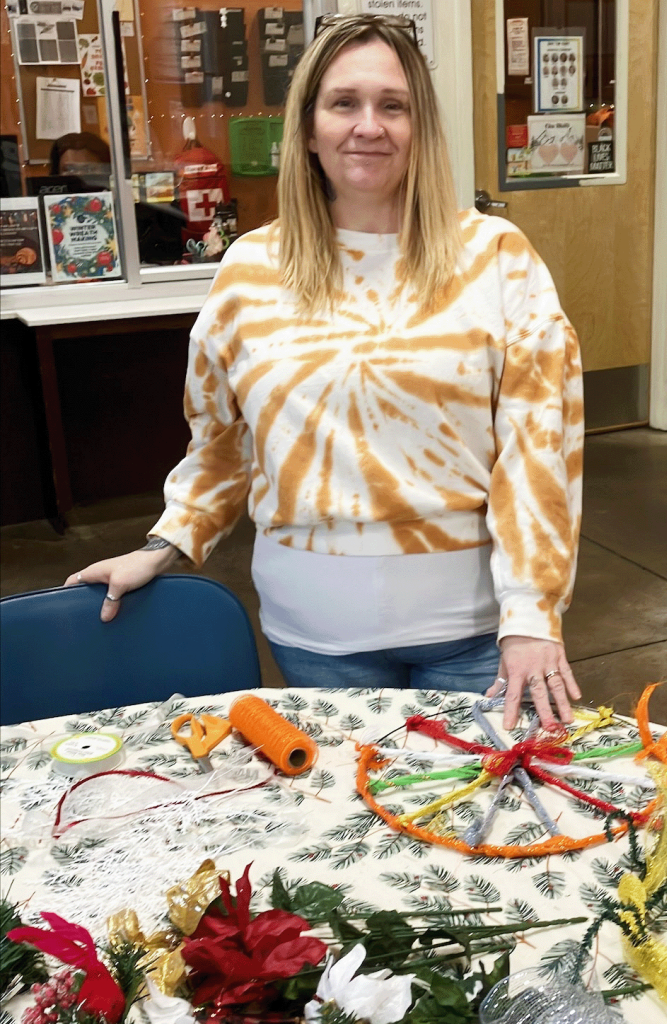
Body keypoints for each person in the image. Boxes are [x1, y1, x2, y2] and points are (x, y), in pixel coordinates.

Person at [67, 14, 584, 730]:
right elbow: (222, 440)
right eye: (344, 103)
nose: (368, 125)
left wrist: (532, 613)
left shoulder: (497, 257)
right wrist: (167, 543)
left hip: (475, 635)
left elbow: (539, 446)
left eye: (392, 105)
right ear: (307, 128)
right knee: (348, 826)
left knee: (475, 828)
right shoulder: (252, 269)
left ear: (420, 128)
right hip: (315, 637)